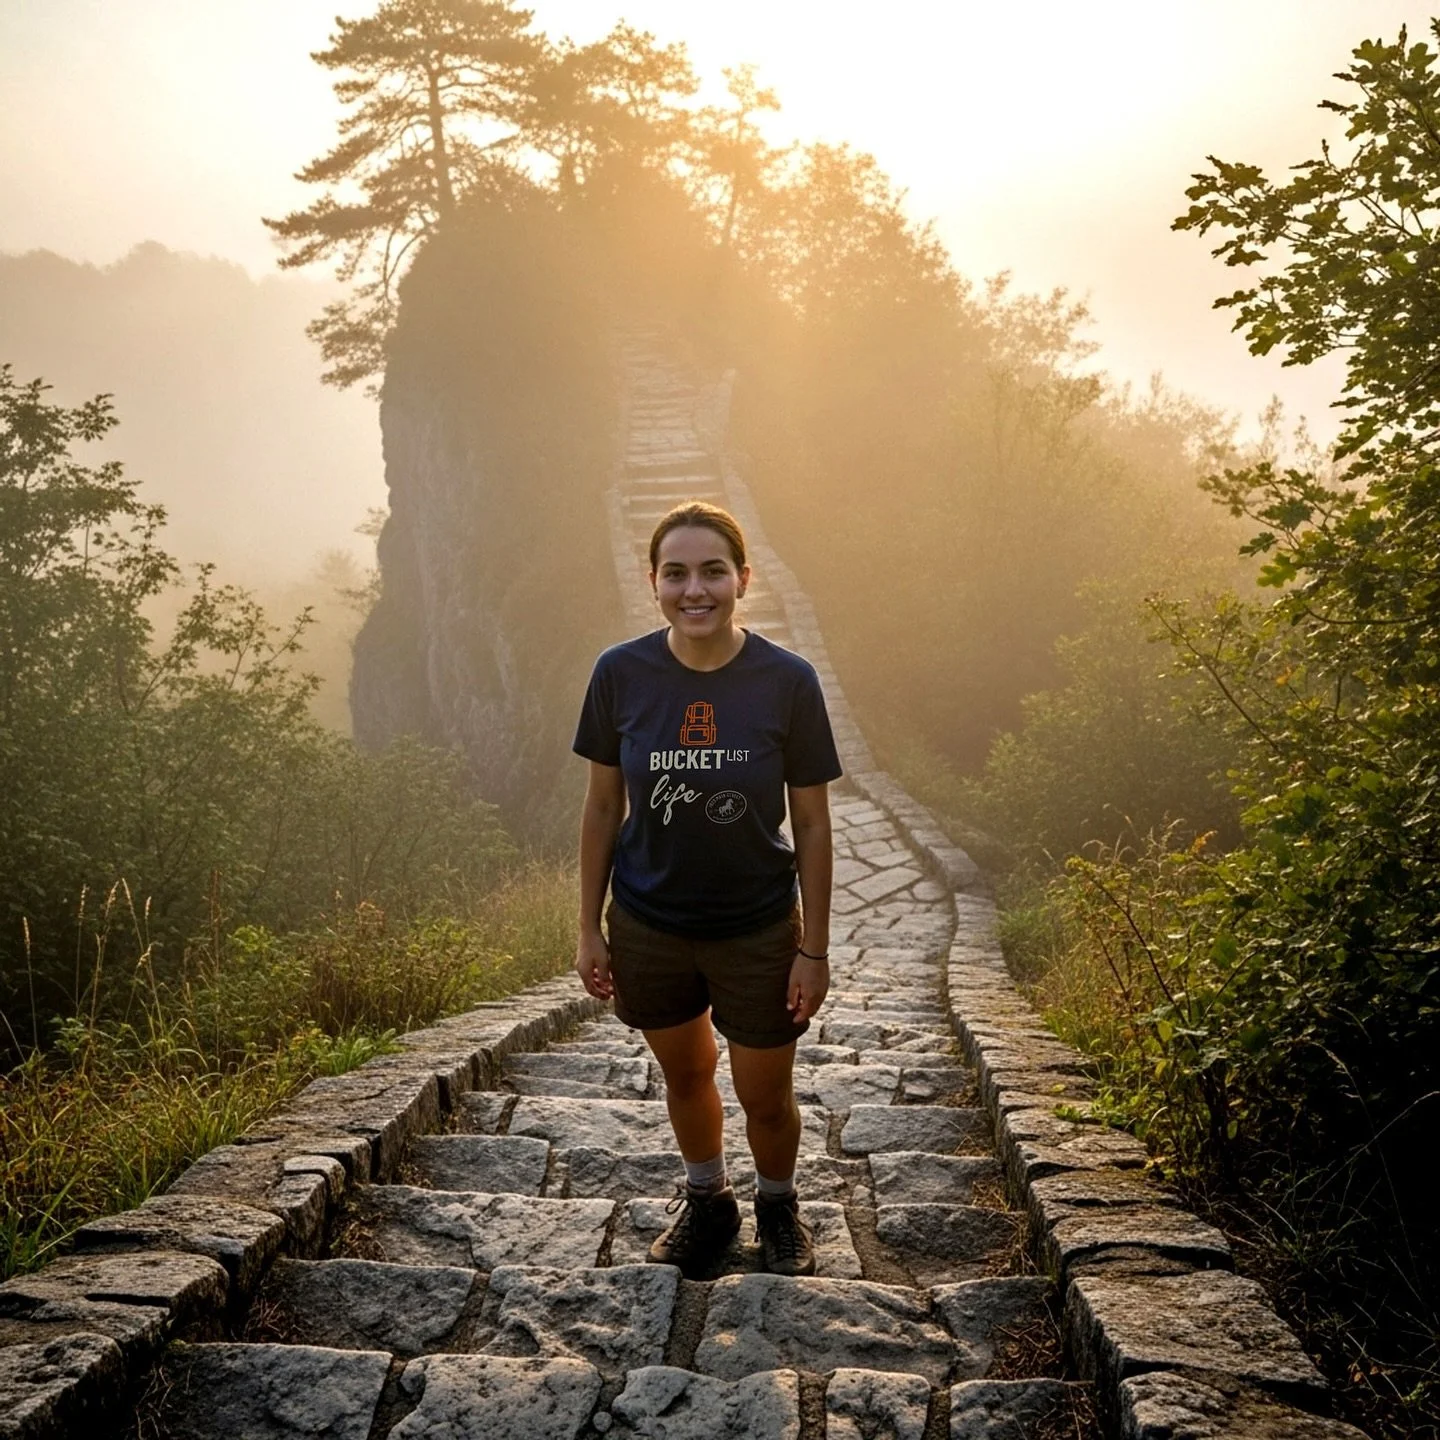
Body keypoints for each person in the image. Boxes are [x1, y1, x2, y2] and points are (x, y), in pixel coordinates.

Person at [572, 500, 841, 1279]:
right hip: (649, 921)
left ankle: (778, 1206)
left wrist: (814, 949)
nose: (696, 590)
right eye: (677, 573)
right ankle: (709, 1200)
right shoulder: (620, 674)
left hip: (756, 926)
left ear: (743, 579)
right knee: (685, 1075)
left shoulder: (786, 681)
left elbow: (812, 822)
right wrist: (589, 928)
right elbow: (602, 806)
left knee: (766, 1095)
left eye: (713, 571)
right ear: (653, 582)